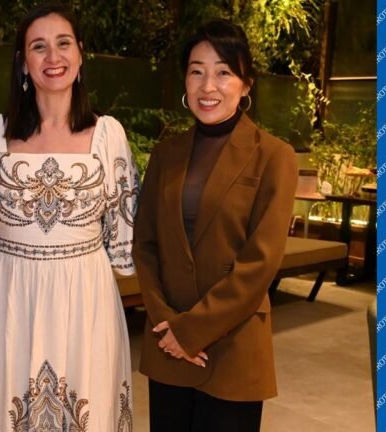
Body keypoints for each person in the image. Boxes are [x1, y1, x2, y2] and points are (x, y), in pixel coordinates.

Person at [0, 3, 139, 431]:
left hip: (86, 301)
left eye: (63, 43)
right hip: (7, 298)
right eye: (39, 46)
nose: (53, 57)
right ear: (23, 62)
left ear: (81, 53)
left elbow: (122, 236)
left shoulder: (109, 136)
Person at [133, 20, 298, 431]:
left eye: (223, 72)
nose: (208, 86)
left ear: (246, 84)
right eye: (197, 71)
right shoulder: (166, 154)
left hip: (233, 345)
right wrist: (167, 325)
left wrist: (191, 332)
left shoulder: (274, 156)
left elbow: (260, 262)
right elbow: (145, 245)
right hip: (168, 343)